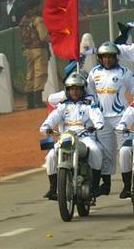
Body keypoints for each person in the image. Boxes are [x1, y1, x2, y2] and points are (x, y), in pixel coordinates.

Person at [40, 73, 105, 201]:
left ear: (82, 90)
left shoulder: (89, 104)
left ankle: (95, 185)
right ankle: (53, 187)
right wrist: (46, 127)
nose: (74, 92)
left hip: (85, 138)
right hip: (66, 138)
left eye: (77, 89)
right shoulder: (62, 106)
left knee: (96, 151)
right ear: (67, 90)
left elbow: (97, 115)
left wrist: (98, 124)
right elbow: (52, 118)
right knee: (51, 155)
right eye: (72, 89)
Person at [85, 42, 134, 196]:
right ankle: (106, 184)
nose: (107, 60)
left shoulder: (124, 72)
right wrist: (90, 102)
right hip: (102, 118)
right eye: (104, 57)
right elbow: (89, 91)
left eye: (110, 57)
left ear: (116, 57)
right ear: (100, 58)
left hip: (122, 118)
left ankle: (128, 185)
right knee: (106, 153)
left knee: (125, 151)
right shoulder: (94, 73)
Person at [19, 0, 50, 109]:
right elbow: (43, 37)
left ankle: (30, 101)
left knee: (30, 74)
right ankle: (37, 100)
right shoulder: (38, 20)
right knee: (39, 73)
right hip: (39, 49)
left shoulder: (24, 19)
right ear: (35, 7)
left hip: (27, 49)